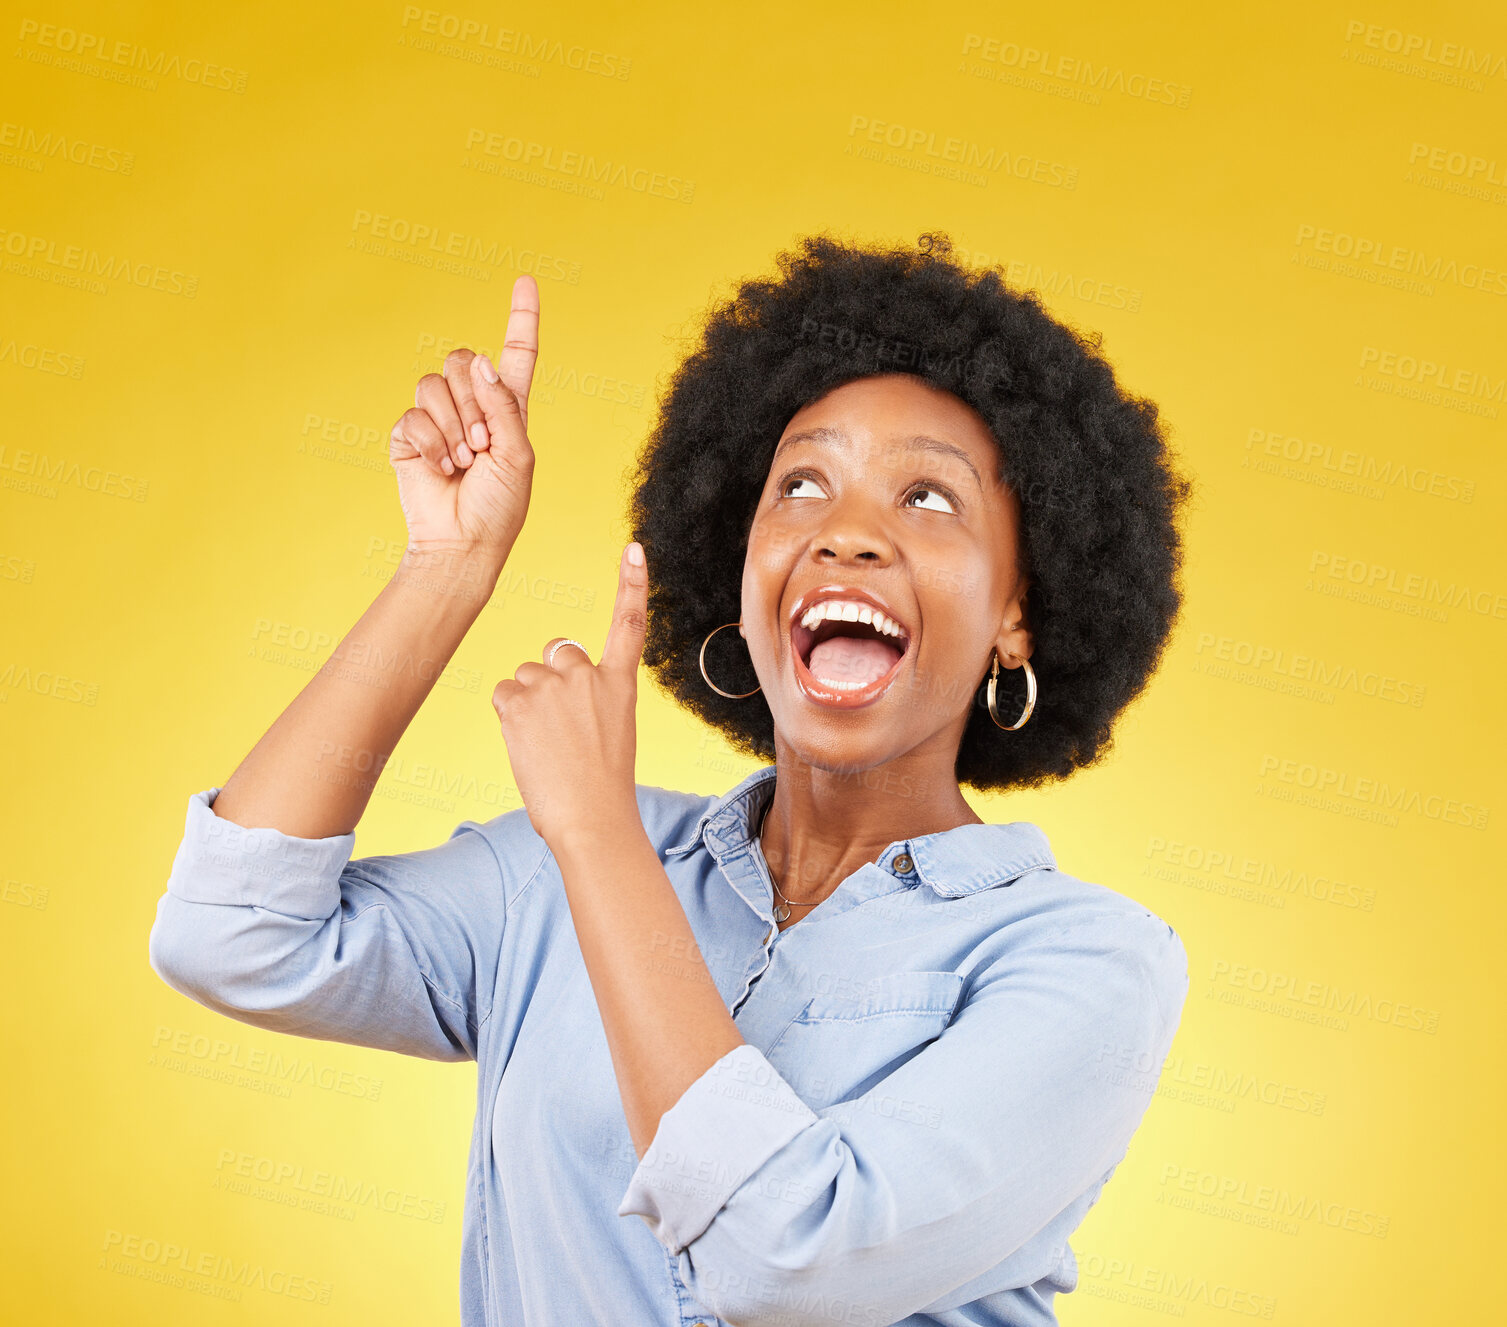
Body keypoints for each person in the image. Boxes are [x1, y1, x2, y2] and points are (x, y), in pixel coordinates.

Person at [148, 231, 1195, 1327]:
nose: (846, 535)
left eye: (926, 500)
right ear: (736, 575)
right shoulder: (538, 878)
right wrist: (444, 568)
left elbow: (789, 1262)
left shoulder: (1087, 961)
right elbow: (232, 934)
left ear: (1016, 615)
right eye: (801, 484)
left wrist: (600, 841)